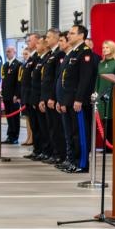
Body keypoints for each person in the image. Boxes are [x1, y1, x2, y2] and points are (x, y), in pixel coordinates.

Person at [57, 25, 99, 172]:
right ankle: (73, 160)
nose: (69, 35)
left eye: (72, 33)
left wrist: (79, 99)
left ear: (81, 36)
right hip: (69, 99)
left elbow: (85, 79)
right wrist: (62, 100)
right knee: (72, 133)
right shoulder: (74, 53)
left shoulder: (85, 53)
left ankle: (82, 164)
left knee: (80, 133)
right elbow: (66, 79)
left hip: (77, 101)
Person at [42, 29, 67, 166]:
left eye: (49, 37)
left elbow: (56, 78)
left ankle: (60, 154)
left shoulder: (60, 54)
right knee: (51, 127)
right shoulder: (51, 54)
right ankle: (54, 152)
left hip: (53, 96)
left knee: (57, 127)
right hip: (47, 96)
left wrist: (52, 97)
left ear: (56, 38)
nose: (46, 39)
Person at [22, 35, 45, 160]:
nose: (28, 42)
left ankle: (43, 150)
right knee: (35, 126)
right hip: (30, 96)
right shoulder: (34, 57)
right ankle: (37, 150)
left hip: (36, 97)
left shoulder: (41, 58)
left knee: (41, 127)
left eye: (30, 40)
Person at [95, 40, 115, 144]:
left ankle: (112, 144)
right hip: (101, 93)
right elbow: (98, 80)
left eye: (107, 47)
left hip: (112, 94)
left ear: (112, 49)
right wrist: (96, 93)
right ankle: (106, 144)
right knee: (103, 119)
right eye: (103, 48)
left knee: (111, 119)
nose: (104, 49)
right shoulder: (101, 63)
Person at [1, 44, 23, 145]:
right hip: (6, 95)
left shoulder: (18, 64)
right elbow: (4, 80)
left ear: (14, 52)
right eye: (6, 51)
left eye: (9, 51)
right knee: (9, 116)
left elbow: (19, 81)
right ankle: (10, 135)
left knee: (15, 117)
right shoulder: (5, 65)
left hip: (13, 96)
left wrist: (17, 95)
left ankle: (15, 137)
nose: (7, 53)